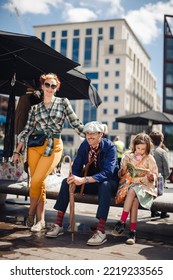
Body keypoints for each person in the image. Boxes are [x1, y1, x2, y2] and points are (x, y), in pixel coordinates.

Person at [13, 73, 84, 232]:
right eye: (47, 85)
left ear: (57, 88)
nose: (50, 88)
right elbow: (26, 131)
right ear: (42, 86)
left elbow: (75, 123)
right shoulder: (34, 108)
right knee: (39, 183)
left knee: (37, 179)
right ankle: (41, 221)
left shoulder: (63, 103)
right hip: (34, 147)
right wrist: (17, 152)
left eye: (53, 86)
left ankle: (30, 212)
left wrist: (91, 134)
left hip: (54, 146)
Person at [46, 121, 119, 246]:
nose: (89, 137)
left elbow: (107, 173)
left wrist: (84, 180)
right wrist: (74, 177)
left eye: (93, 134)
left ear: (101, 134)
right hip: (89, 182)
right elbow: (77, 166)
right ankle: (58, 224)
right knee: (66, 182)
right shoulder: (84, 145)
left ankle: (101, 231)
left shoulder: (110, 147)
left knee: (105, 184)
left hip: (108, 184)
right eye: (87, 134)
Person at [112, 133, 158, 245]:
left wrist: (152, 176)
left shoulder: (150, 158)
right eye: (138, 148)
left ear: (147, 148)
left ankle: (122, 221)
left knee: (133, 191)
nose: (140, 151)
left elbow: (156, 174)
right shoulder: (128, 155)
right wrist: (123, 170)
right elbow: (120, 174)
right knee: (134, 200)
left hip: (145, 188)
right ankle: (132, 233)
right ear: (134, 146)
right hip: (130, 185)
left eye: (143, 149)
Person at [149, 131, 170, 219]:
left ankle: (153, 211)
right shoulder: (162, 152)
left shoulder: (148, 151)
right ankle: (163, 213)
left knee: (152, 194)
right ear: (161, 140)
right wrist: (166, 176)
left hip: (150, 177)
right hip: (160, 177)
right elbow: (166, 167)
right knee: (161, 194)